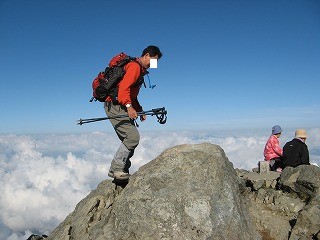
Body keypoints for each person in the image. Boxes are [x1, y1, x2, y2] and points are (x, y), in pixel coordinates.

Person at [105, 45, 162, 180]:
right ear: (146, 55)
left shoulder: (140, 70)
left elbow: (132, 94)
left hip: (120, 105)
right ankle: (116, 169)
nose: (154, 65)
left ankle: (123, 169)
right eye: (154, 61)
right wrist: (130, 107)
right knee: (132, 138)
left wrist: (138, 109)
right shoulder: (135, 67)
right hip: (115, 105)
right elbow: (123, 89)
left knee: (129, 139)